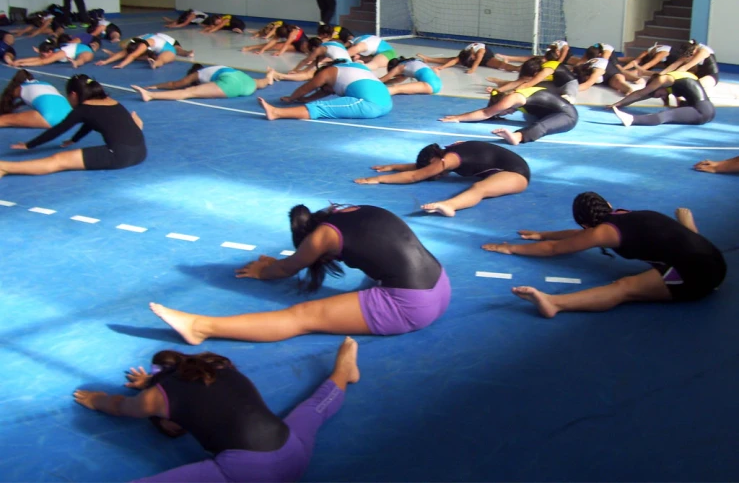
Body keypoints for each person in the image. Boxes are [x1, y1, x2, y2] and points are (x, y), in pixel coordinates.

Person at [149, 204, 451, 343]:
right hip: (440, 284)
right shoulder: (350, 210)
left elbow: (285, 268)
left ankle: (200, 328)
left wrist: (262, 270)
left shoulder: (321, 238)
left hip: (411, 306)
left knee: (302, 317)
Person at [73, 337, 360, 483]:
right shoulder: (219, 366)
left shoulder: (154, 400)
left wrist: (95, 398)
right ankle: (344, 372)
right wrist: (151, 383)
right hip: (294, 453)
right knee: (314, 408)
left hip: (245, 473)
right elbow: (195, 389)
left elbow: (120, 406)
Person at [481, 192, 726, 318]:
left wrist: (511, 248)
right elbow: (580, 235)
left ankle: (554, 303)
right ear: (606, 204)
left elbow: (554, 250)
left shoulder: (603, 232)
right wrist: (544, 234)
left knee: (624, 287)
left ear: (586, 225)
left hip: (698, 275)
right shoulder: (622, 215)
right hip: (712, 258)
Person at [0, 75, 146, 178]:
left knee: (58, 160)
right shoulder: (110, 101)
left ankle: (4, 166)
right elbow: (92, 122)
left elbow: (58, 130)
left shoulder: (83, 109)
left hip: (120, 156)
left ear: (74, 95)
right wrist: (74, 140)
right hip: (140, 152)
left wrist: (29, 145)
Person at [355, 141, 529, 217]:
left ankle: (450, 206)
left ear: (435, 159)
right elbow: (427, 169)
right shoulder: (449, 153)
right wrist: (395, 166)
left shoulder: (449, 159)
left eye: (435, 170)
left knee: (479, 188)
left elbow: (416, 175)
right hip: (506, 168)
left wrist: (378, 179)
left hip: (516, 174)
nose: (436, 175)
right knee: (480, 185)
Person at [257, 60, 393, 121]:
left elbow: (307, 87)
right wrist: (307, 99)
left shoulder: (327, 72)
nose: (329, 91)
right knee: (329, 103)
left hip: (369, 105)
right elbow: (327, 90)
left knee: (321, 108)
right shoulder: (354, 67)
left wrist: (291, 98)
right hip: (387, 104)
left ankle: (276, 113)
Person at [439, 87, 578, 146]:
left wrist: (459, 117)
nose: (508, 113)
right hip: (550, 112)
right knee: (532, 119)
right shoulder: (515, 95)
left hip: (567, 115)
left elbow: (486, 113)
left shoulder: (513, 97)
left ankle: (517, 137)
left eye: (503, 111)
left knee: (539, 127)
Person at [610, 71, 715, 127]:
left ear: (657, 85)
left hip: (701, 111)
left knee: (667, 115)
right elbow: (642, 96)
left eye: (658, 95)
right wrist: (620, 104)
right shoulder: (676, 79)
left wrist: (617, 103)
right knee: (676, 109)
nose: (660, 97)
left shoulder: (664, 79)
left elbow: (640, 94)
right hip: (708, 110)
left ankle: (632, 120)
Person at [131, 64, 274, 101]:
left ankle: (150, 96)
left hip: (230, 84)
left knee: (189, 92)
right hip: (246, 81)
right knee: (262, 82)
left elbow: (177, 84)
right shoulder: (215, 69)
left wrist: (156, 87)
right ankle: (270, 77)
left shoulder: (198, 74)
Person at [0, 70, 72, 129]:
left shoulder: (20, 88)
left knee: (4, 119)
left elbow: (8, 97)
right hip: (69, 115)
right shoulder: (46, 84)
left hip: (51, 117)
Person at [268, 38, 352, 82]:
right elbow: (315, 62)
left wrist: (295, 70)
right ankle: (280, 75)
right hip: (347, 66)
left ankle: (280, 76)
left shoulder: (319, 49)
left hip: (341, 68)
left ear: (313, 47)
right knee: (310, 72)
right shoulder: (328, 45)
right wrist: (301, 71)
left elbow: (306, 61)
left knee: (309, 75)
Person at [418, 43, 518, 75]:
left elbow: (478, 61)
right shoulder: (466, 51)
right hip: (471, 55)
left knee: (499, 65)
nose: (472, 60)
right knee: (452, 59)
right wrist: (442, 67)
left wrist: (472, 70)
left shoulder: (480, 52)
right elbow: (455, 60)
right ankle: (429, 59)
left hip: (487, 58)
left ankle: (517, 68)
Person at [95, 34, 177, 69]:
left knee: (161, 59)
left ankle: (155, 63)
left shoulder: (143, 44)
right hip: (152, 50)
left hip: (168, 51)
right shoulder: (134, 42)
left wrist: (121, 65)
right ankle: (114, 55)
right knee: (128, 53)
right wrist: (105, 62)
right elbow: (124, 52)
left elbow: (133, 56)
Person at [11, 37, 99, 68]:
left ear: (50, 52)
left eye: (43, 53)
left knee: (82, 59)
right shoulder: (52, 52)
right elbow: (39, 58)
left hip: (85, 50)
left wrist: (24, 65)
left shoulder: (59, 53)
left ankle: (76, 63)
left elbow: (42, 62)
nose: (42, 55)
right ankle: (76, 61)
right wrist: (19, 61)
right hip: (75, 48)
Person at [241, 24, 310, 56]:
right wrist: (262, 50)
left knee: (304, 48)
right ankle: (251, 47)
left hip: (302, 43)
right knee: (276, 45)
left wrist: (280, 53)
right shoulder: (281, 29)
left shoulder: (293, 33)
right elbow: (273, 42)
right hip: (293, 44)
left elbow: (286, 45)